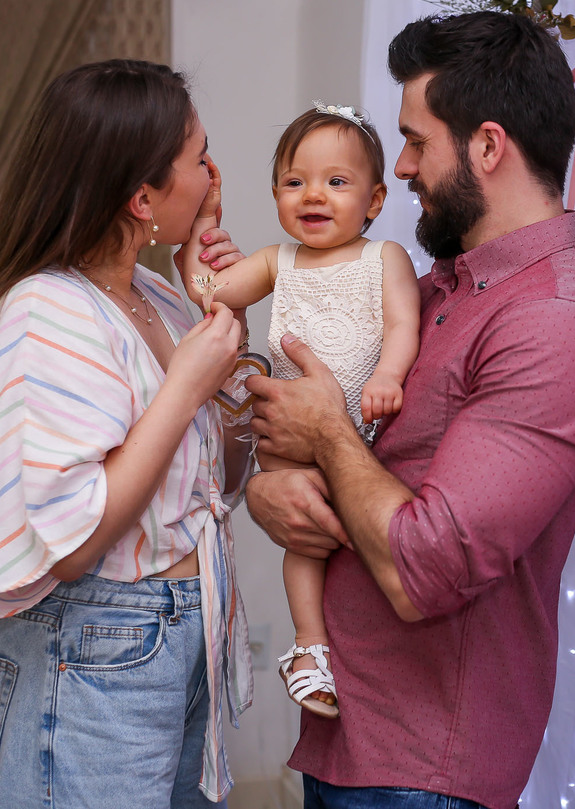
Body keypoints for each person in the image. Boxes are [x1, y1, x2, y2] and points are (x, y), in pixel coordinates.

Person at [242, 12, 575, 809]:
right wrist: (267, 486)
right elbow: (330, 425)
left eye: (418, 142)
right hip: (354, 737)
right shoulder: (441, 289)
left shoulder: (557, 323)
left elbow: (429, 567)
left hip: (425, 768)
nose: (406, 166)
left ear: (488, 147)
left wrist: (323, 430)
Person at [0, 59, 253, 808]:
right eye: (199, 157)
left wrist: (222, 328)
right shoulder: (49, 310)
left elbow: (221, 479)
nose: (214, 174)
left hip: (176, 645)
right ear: (141, 196)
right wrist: (189, 380)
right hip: (95, 650)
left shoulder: (158, 298)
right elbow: (72, 540)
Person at [181, 103, 420, 718]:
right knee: (306, 542)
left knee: (366, 538)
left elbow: (402, 323)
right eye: (295, 182)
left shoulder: (384, 257)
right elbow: (211, 293)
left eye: (336, 182)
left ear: (373, 200)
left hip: (362, 430)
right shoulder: (274, 262)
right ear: (276, 194)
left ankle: (349, 653)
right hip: (288, 445)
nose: (314, 194)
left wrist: (390, 374)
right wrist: (200, 233)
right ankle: (309, 647)